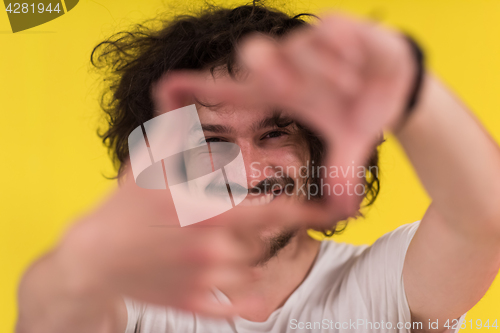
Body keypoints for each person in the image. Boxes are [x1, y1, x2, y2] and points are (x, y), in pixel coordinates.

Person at [16, 3, 500, 333]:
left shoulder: (382, 287)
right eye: (212, 143)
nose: (247, 169)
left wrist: (406, 87)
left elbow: (483, 220)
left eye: (274, 134)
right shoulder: (133, 296)